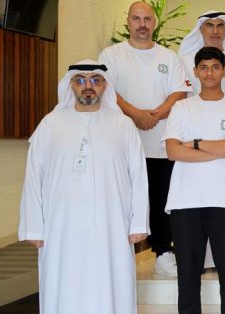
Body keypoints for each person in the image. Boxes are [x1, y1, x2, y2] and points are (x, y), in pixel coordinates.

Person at [19, 61, 148, 314]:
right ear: (70, 84)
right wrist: (33, 227)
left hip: (112, 226)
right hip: (60, 227)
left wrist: (138, 223)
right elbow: (33, 176)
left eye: (95, 80)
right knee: (63, 284)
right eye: (80, 80)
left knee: (111, 284)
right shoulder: (50, 124)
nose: (87, 86)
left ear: (105, 85)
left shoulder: (123, 125)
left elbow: (138, 175)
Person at [98, 0, 191, 278]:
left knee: (161, 202)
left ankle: (163, 253)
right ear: (128, 21)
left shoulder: (169, 58)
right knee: (123, 201)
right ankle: (118, 257)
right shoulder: (111, 55)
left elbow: (179, 93)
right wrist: (136, 114)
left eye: (147, 19)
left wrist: (156, 115)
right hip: (121, 146)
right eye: (136, 19)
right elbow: (106, 90)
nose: (142, 24)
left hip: (160, 146)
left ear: (154, 23)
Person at [163, 47, 225, 314]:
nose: (209, 73)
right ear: (195, 72)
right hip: (185, 201)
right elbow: (173, 152)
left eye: (215, 67)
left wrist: (194, 143)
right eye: (203, 67)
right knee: (187, 274)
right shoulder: (181, 107)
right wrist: (220, 147)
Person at [179, 10, 225, 98]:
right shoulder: (185, 61)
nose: (215, 31)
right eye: (210, 25)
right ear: (201, 29)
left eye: (220, 26)